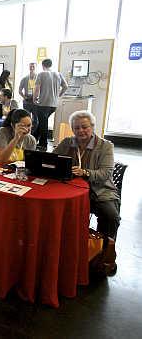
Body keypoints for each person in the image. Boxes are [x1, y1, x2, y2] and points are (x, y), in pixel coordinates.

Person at [53, 111, 119, 275]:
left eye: (85, 127)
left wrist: (85, 172)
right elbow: (52, 160)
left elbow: (106, 174)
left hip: (99, 191)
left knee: (110, 216)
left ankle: (103, 254)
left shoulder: (105, 146)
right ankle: (68, 251)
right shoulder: (68, 143)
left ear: (92, 127)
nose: (81, 131)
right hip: (71, 190)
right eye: (76, 128)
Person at [33, 58, 68, 150]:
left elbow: (37, 88)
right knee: (42, 123)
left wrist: (34, 99)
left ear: (43, 65)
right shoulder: (58, 74)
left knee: (43, 124)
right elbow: (65, 86)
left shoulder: (41, 74)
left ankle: (43, 144)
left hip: (43, 103)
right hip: (54, 105)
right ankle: (33, 139)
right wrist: (58, 95)